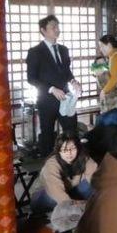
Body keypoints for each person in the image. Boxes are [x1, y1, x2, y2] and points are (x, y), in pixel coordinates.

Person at [26, 15, 81, 157]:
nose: (57, 30)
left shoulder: (63, 49)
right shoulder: (35, 52)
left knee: (71, 131)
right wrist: (51, 89)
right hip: (46, 100)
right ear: (43, 30)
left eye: (58, 26)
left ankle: (73, 163)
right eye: (53, 27)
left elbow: (66, 71)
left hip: (65, 98)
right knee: (47, 135)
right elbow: (31, 78)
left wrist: (74, 81)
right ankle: (48, 168)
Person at [30, 133, 97, 213]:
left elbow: (96, 178)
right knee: (53, 198)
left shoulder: (84, 158)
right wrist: (74, 206)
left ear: (78, 148)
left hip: (70, 191)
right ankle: (70, 206)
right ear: (58, 151)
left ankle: (73, 204)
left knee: (93, 184)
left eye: (72, 148)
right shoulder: (52, 164)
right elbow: (56, 191)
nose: (69, 153)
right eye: (64, 149)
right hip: (45, 195)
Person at [96, 34, 117, 130]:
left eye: (102, 46)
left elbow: (114, 79)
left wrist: (104, 91)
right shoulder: (113, 56)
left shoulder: (115, 57)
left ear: (109, 45)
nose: (101, 49)